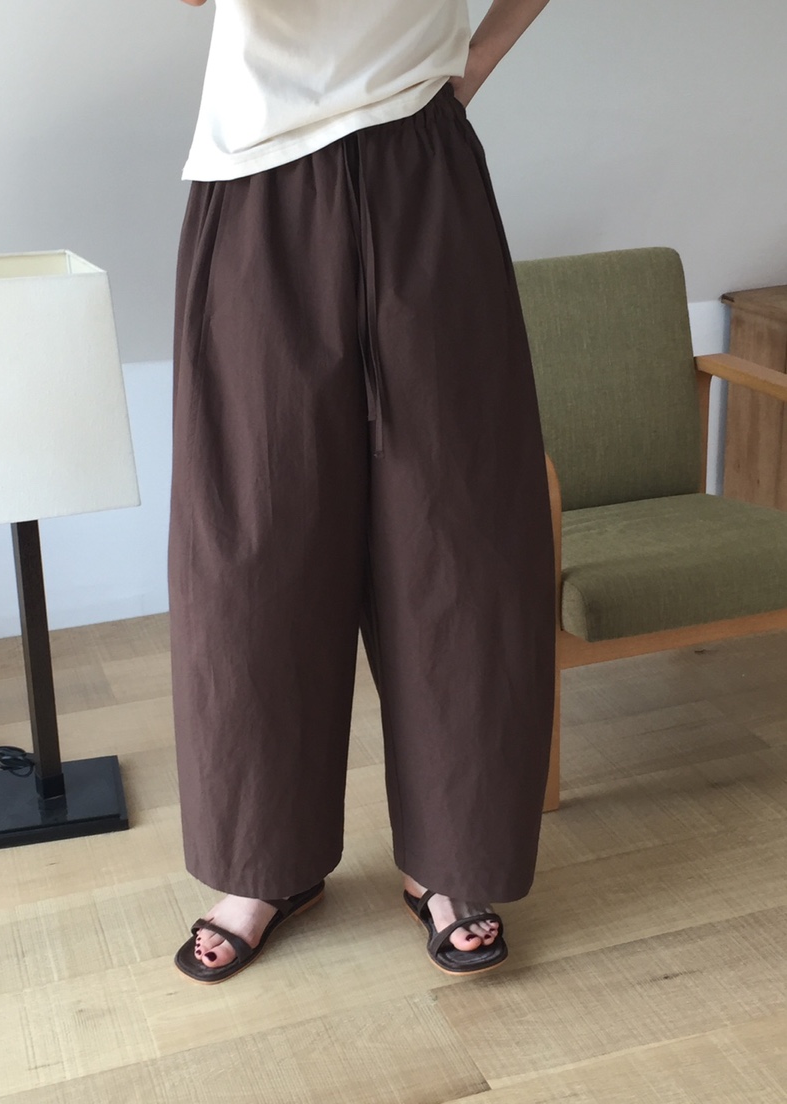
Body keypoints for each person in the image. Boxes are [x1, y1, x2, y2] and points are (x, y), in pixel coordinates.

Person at [169, 0, 555, 983]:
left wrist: (470, 64)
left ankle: (452, 860)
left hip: (423, 161)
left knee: (459, 536)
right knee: (254, 543)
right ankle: (265, 864)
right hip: (257, 179)